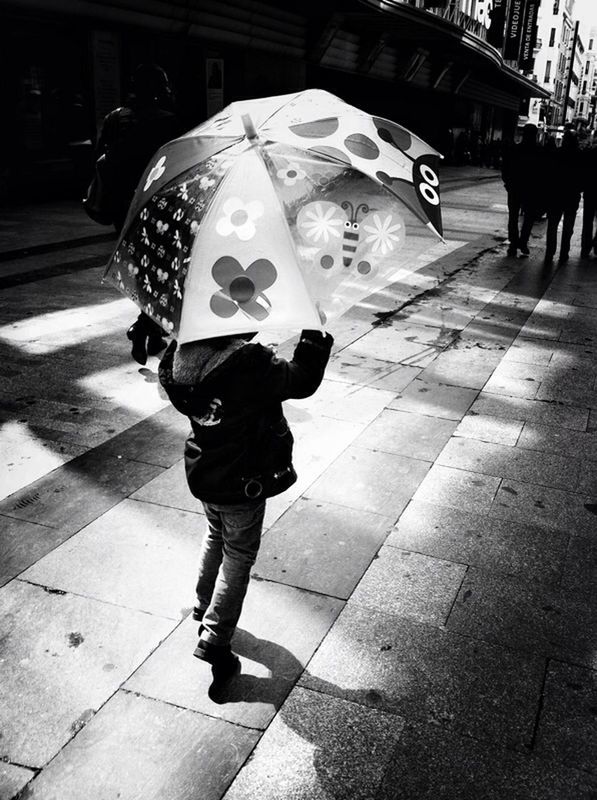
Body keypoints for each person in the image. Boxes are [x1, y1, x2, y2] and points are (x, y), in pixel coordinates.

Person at [158, 328, 333, 690]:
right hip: (243, 479)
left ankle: (203, 601)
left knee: (215, 534)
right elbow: (300, 380)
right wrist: (314, 335)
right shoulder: (247, 362)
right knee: (238, 554)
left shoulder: (180, 355)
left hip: (206, 472)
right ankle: (215, 639)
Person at [95, 63, 184, 364]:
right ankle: (144, 325)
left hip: (123, 208)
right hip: (157, 207)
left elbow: (99, 155)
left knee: (142, 269)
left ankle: (152, 329)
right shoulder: (169, 122)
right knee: (163, 270)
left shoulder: (115, 118)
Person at [501, 123, 543, 257]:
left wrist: (507, 183)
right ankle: (523, 242)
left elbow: (505, 168)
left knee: (513, 216)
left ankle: (514, 243)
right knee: (529, 217)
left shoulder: (515, 149)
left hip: (515, 188)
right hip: (531, 189)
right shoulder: (539, 152)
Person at [544, 129, 583, 264]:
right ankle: (564, 252)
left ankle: (550, 252)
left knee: (553, 225)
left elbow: (549, 173)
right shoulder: (579, 155)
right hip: (572, 195)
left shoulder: (557, 153)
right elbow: (582, 177)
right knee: (568, 226)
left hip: (556, 194)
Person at [580, 144, 597, 258]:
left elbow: (584, 172)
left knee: (587, 221)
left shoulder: (591, 153)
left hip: (590, 191)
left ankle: (586, 247)